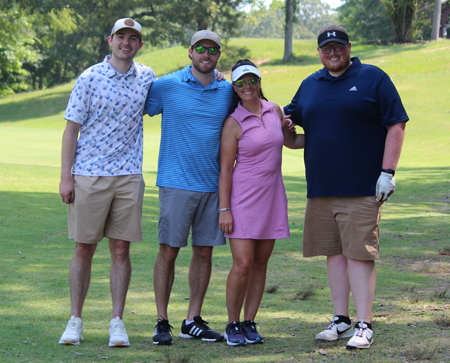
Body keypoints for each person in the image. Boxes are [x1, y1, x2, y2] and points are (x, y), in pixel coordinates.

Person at [284, 25, 408, 349]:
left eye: (338, 46)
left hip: (362, 186)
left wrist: (388, 171)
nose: (333, 53)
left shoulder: (373, 78)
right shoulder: (310, 84)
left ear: (349, 47)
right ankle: (341, 320)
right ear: (319, 52)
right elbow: (294, 136)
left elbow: (396, 123)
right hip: (321, 188)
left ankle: (364, 324)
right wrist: (282, 127)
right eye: (327, 48)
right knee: (334, 253)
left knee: (359, 254)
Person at [58, 18, 157, 347]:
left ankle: (117, 321)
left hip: (128, 175)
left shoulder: (147, 77)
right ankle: (75, 320)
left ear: (140, 44)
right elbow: (71, 129)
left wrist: (214, 75)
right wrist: (65, 177)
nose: (126, 42)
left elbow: (180, 86)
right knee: (84, 249)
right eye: (121, 37)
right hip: (88, 174)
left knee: (120, 249)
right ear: (110, 40)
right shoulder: (89, 77)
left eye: (133, 38)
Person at [144, 30, 234, 346]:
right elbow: (133, 108)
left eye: (212, 49)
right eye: (200, 48)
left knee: (204, 252)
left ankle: (192, 320)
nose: (206, 54)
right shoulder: (167, 86)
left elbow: (256, 108)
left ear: (218, 55)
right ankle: (162, 320)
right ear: (190, 52)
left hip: (213, 186)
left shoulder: (228, 89)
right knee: (168, 251)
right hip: (176, 183)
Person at [218, 60, 304, 346]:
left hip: (271, 198)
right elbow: (225, 169)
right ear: (234, 87)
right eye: (241, 82)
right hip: (242, 200)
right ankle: (232, 324)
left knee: (260, 264)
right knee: (242, 264)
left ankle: (249, 321)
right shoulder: (234, 122)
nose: (247, 87)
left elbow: (291, 143)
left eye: (251, 80)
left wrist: (330, 135)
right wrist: (224, 209)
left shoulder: (275, 110)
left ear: (259, 80)